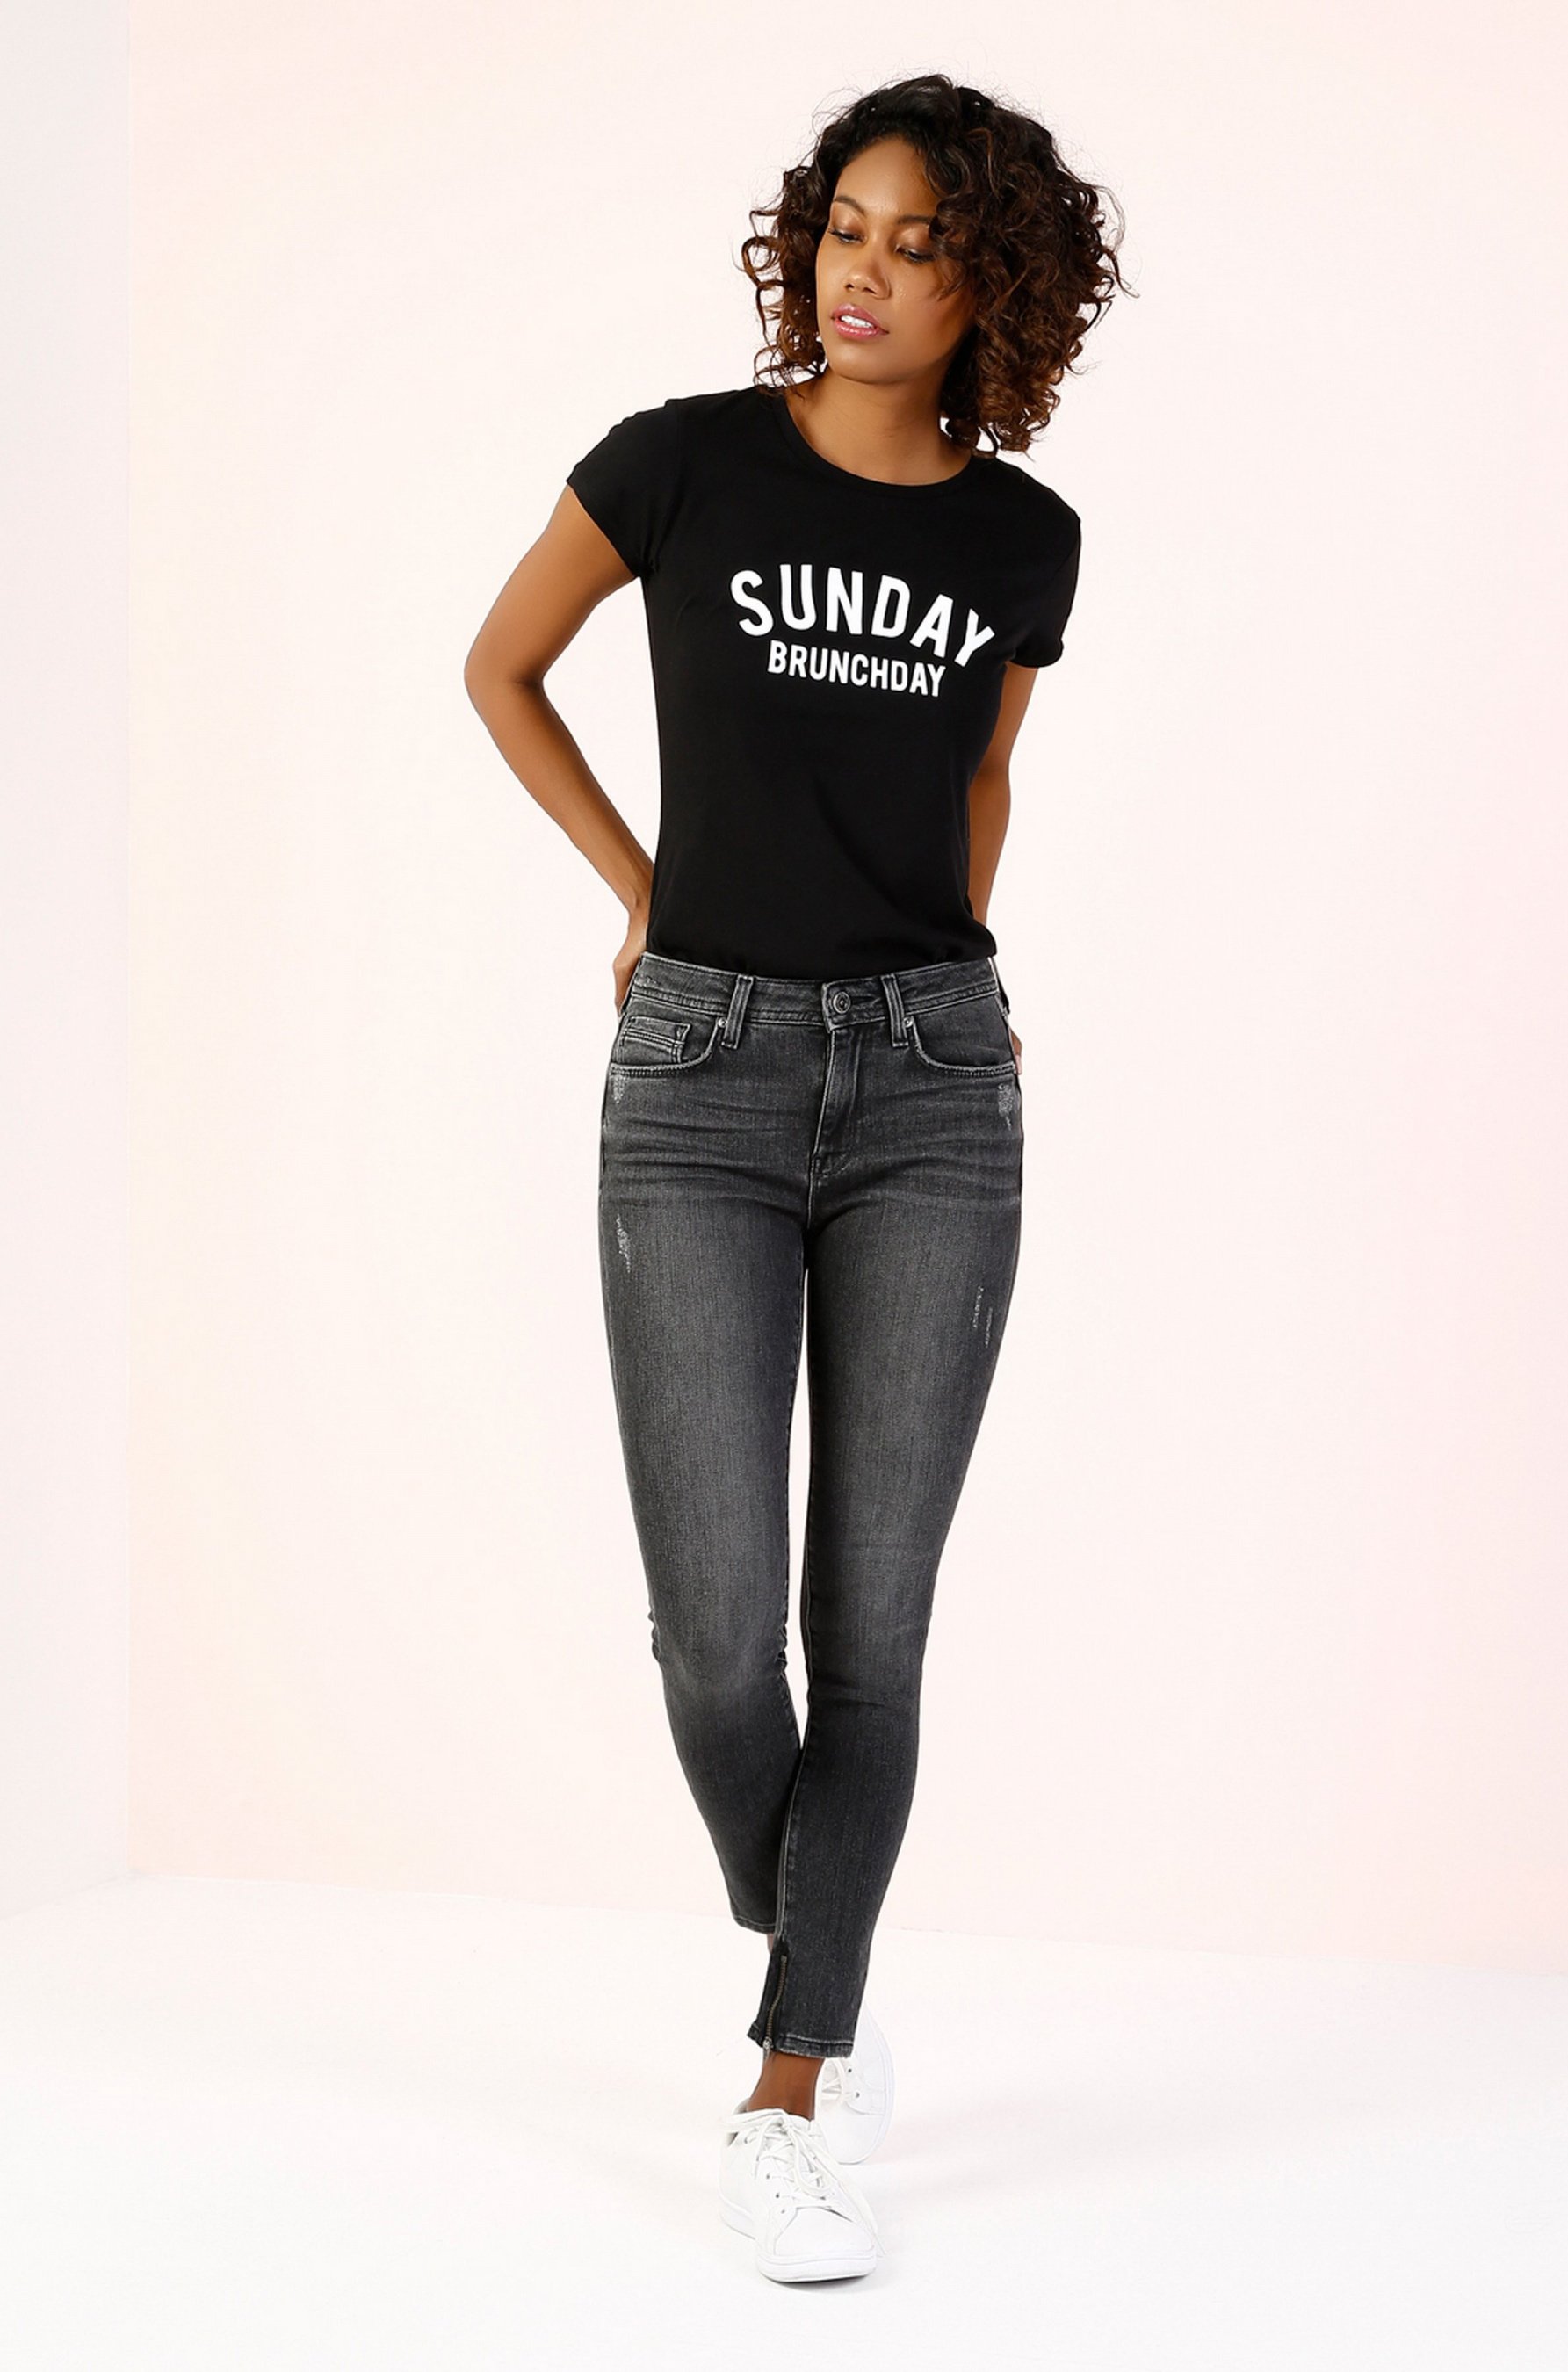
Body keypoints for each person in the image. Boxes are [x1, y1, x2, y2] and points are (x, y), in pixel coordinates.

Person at [464, 71, 1125, 2284]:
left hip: (934, 1085)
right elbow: (499, 667)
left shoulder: (1020, 540)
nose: (865, 272)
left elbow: (982, 783)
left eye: (920, 245)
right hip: (699, 1076)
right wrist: (640, 892)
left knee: (873, 1630)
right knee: (711, 1637)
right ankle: (814, 1937)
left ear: (988, 288)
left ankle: (788, 2082)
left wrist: (958, 979)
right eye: (844, 225)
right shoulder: (679, 463)